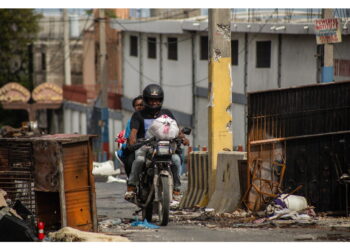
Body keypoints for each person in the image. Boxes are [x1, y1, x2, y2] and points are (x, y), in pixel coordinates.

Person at [124, 84, 189, 200]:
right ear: (145, 100)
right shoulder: (138, 115)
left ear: (161, 100)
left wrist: (183, 138)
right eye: (151, 100)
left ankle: (177, 190)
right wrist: (132, 142)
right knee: (139, 160)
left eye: (157, 100)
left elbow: (175, 129)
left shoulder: (166, 113)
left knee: (176, 160)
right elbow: (133, 132)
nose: (154, 103)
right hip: (145, 147)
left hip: (165, 147)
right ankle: (131, 187)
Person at [116, 95, 144, 177]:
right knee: (130, 161)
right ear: (134, 107)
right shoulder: (132, 121)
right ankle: (131, 184)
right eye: (137, 105)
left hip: (151, 146)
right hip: (137, 147)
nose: (139, 107)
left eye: (141, 105)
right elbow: (128, 137)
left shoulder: (153, 118)